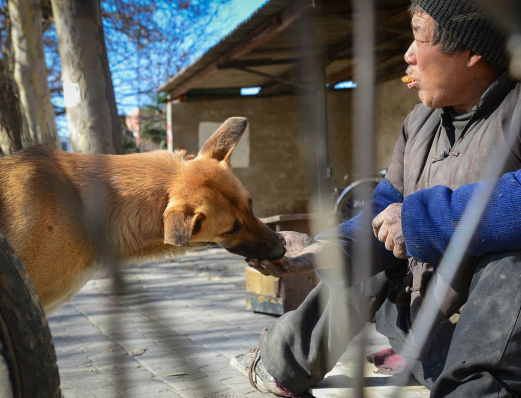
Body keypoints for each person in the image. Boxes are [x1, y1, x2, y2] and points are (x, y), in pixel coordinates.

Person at [230, 0, 521, 397]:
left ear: (472, 51)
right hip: (430, 337)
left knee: (511, 254)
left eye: (419, 37)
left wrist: (420, 221)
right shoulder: (419, 123)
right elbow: (385, 207)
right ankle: (282, 363)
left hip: (494, 348)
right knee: (362, 253)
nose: (408, 54)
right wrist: (324, 248)